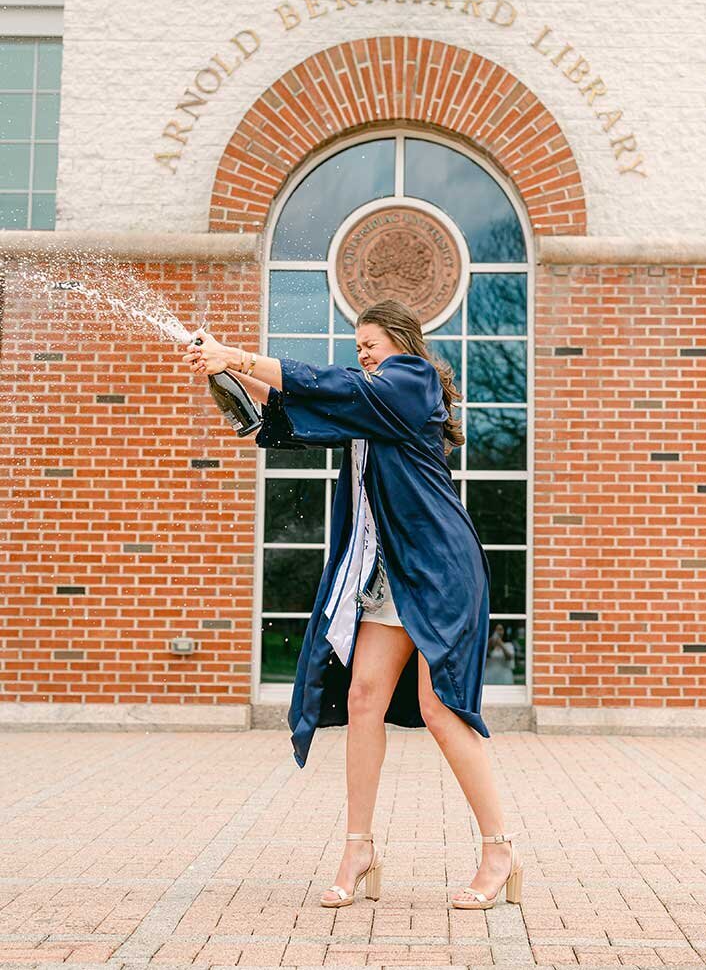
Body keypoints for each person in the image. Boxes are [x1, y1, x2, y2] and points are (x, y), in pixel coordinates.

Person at [183, 298, 524, 911]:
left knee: (442, 710)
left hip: (441, 569)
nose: (361, 351)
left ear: (401, 340)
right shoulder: (367, 404)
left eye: (370, 342)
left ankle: (499, 850)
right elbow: (286, 421)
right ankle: (358, 848)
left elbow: (333, 384)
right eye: (358, 343)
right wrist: (224, 378)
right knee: (363, 699)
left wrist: (239, 353)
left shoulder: (411, 384)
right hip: (388, 572)